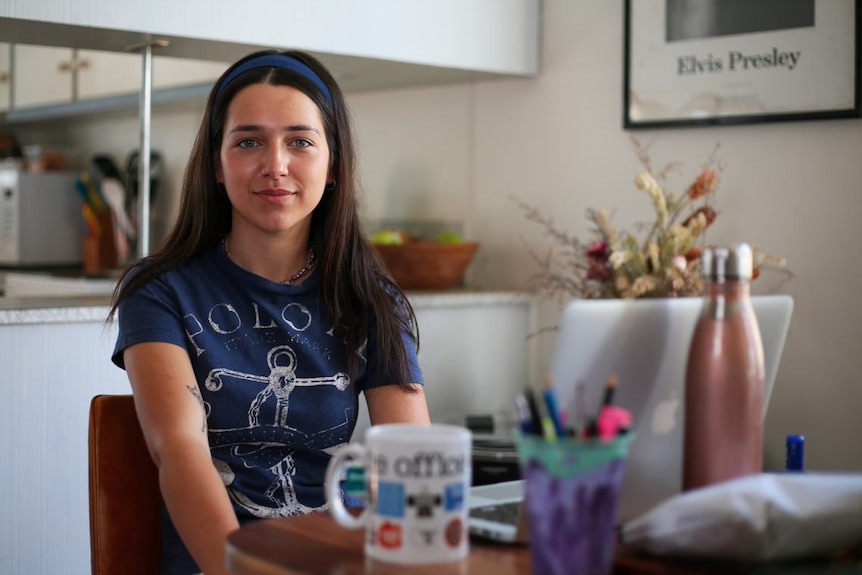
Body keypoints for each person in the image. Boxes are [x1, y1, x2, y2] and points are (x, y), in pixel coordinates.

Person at [108, 49, 430, 575]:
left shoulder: (372, 299)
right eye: (249, 141)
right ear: (217, 162)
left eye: (300, 142)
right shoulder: (161, 292)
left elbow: (412, 459)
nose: (275, 165)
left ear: (333, 166)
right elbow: (179, 450)